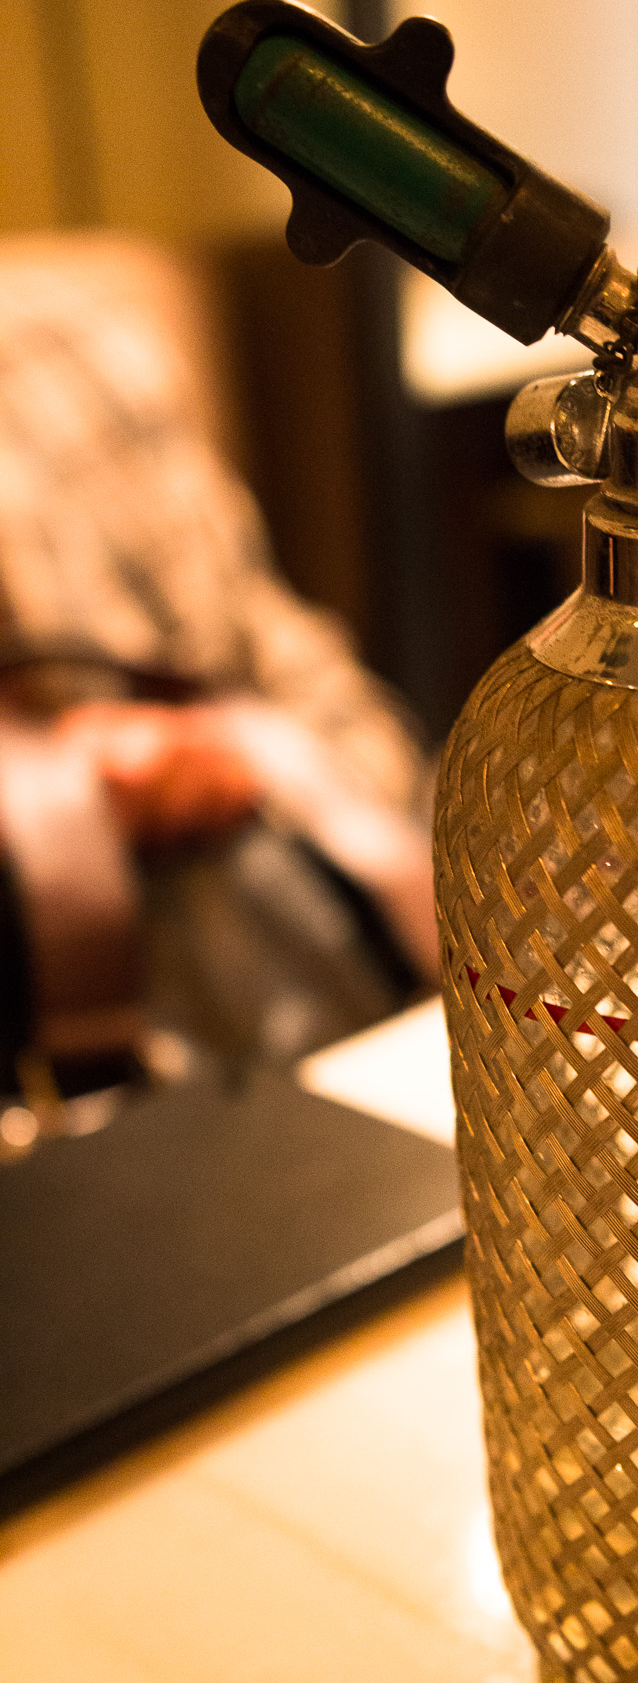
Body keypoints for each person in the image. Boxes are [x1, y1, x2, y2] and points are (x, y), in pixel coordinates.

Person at [0, 238, 438, 1115]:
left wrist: (237, 752)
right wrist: (58, 800)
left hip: (287, 987)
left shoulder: (67, 344)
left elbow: (304, 676)